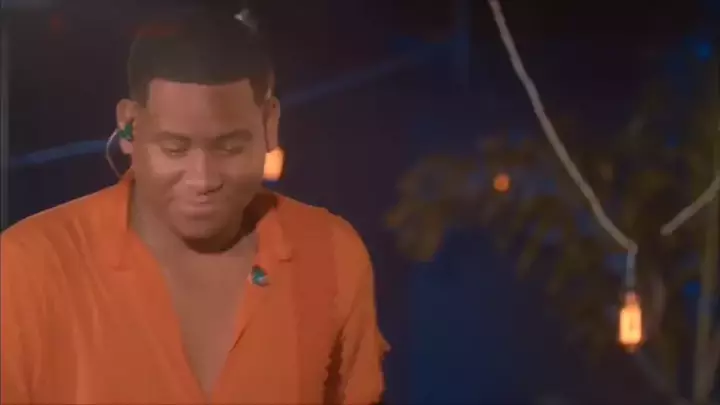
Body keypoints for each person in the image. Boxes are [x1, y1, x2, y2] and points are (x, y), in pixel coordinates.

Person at [1, 10, 388, 404]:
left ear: (269, 123)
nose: (203, 180)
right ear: (129, 126)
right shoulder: (27, 268)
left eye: (230, 147)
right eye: (175, 148)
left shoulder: (330, 253)